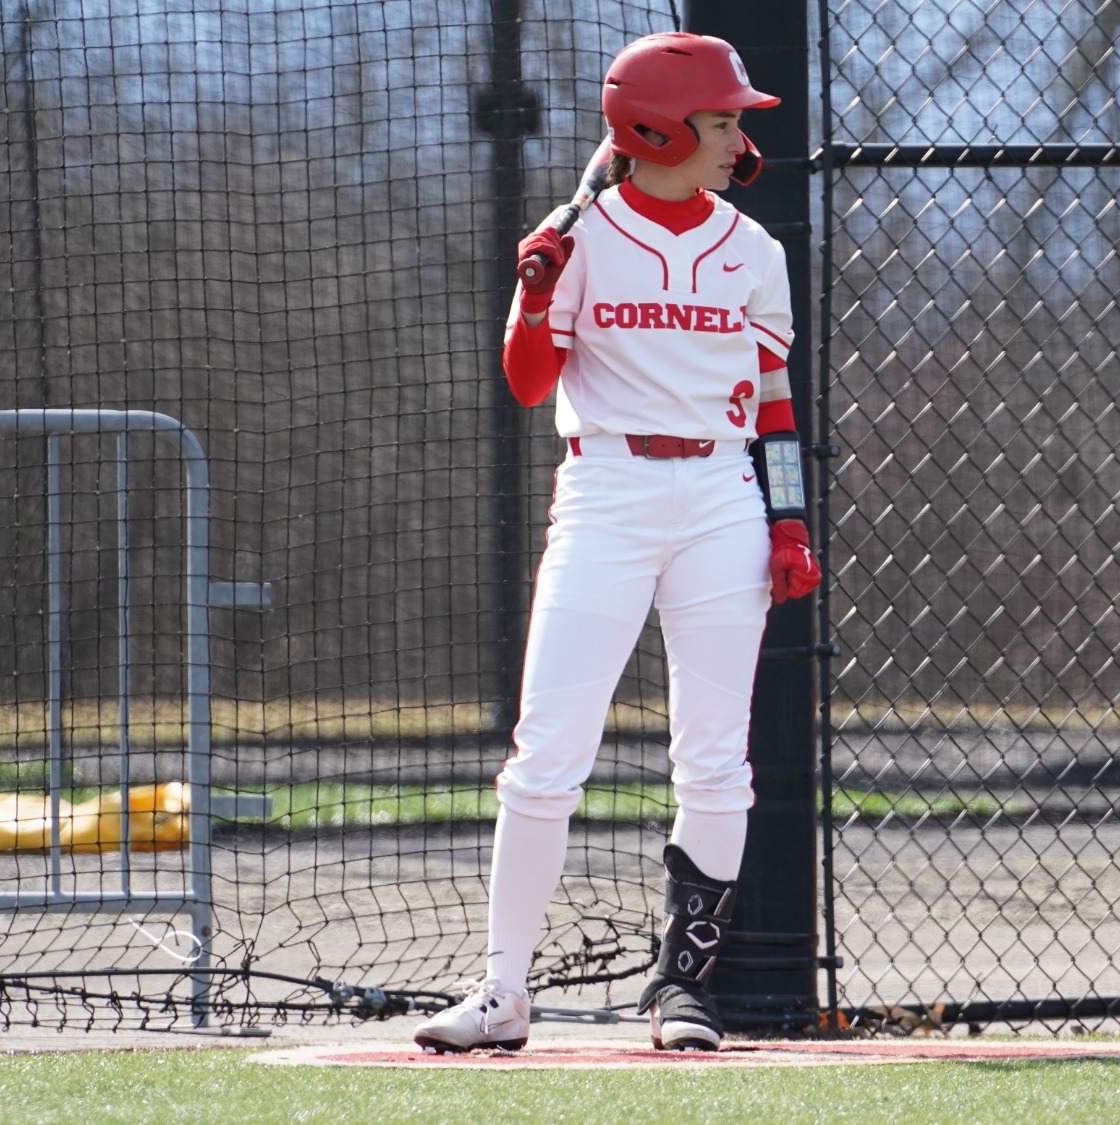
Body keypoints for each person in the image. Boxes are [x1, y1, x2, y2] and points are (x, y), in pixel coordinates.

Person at [414, 31, 820, 1054]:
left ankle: (682, 989)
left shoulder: (750, 250)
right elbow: (524, 382)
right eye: (720, 120)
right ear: (656, 128)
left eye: (733, 121)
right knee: (545, 754)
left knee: (716, 762)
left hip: (721, 494)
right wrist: (540, 290)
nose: (734, 138)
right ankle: (502, 993)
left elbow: (772, 401)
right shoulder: (578, 240)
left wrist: (787, 516)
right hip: (607, 487)